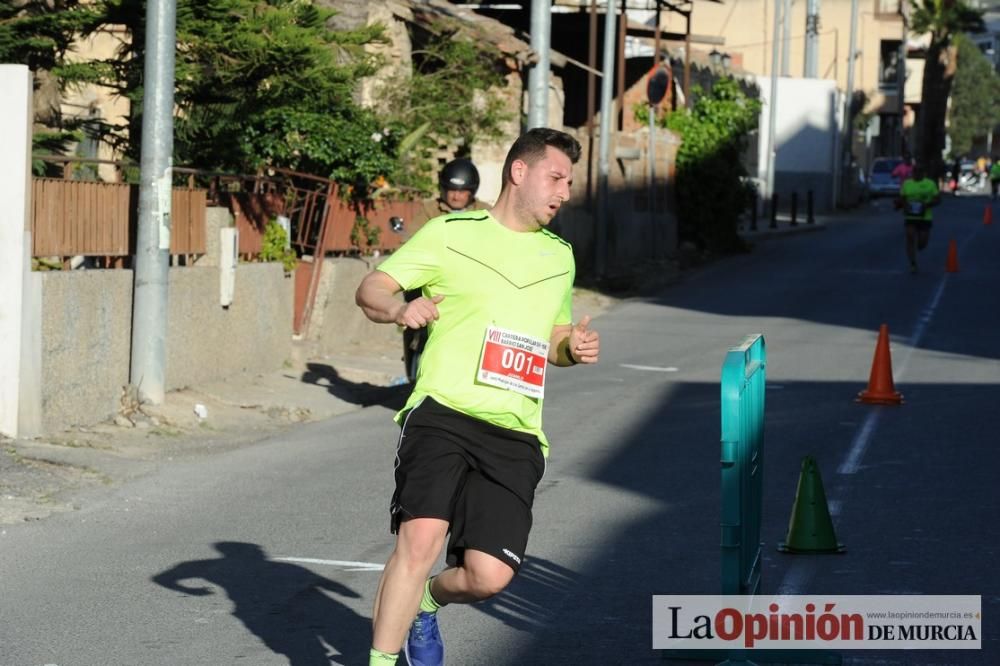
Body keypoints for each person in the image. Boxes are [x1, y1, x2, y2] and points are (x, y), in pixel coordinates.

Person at [355, 127, 599, 666]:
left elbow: (553, 337)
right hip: (442, 412)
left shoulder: (559, 257)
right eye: (555, 178)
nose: (564, 192)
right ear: (519, 171)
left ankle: (427, 601)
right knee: (417, 544)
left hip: (514, 429)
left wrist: (571, 347)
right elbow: (373, 288)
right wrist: (399, 309)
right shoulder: (451, 233)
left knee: (489, 576)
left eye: (569, 183)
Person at [403, 158, 490, 382]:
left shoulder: (486, 212)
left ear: (472, 192)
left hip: (473, 283)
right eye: (452, 190)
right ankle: (416, 365)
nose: (456, 196)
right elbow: (412, 240)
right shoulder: (430, 210)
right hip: (434, 281)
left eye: (462, 191)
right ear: (443, 189)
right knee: (417, 319)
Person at [896, 162, 941, 274]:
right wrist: (902, 205)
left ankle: (919, 246)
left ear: (923, 173)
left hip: (925, 216)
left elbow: (937, 199)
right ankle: (912, 262)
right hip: (910, 216)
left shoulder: (930, 184)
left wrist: (926, 205)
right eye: (914, 172)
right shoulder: (907, 184)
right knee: (910, 236)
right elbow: (902, 198)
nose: (916, 174)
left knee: (922, 243)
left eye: (919, 172)